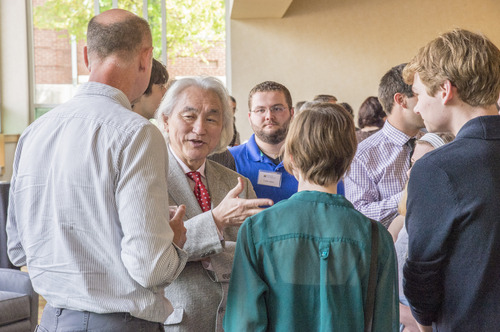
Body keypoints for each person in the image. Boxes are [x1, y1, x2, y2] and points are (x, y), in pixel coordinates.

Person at [6, 9, 187, 331]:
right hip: (117, 322)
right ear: (145, 59)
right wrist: (172, 241)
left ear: (87, 55)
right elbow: (151, 267)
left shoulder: (35, 131)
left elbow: (18, 248)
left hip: (52, 321)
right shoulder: (137, 133)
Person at [223, 103, 399, 331]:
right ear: (349, 157)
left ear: (291, 155)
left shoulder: (258, 228)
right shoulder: (376, 237)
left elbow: (243, 324)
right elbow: (384, 324)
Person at [156, 76, 273, 332]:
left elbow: (253, 256)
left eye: (211, 119)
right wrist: (216, 222)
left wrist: (196, 247)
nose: (200, 128)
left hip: (236, 321)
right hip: (177, 323)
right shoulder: (149, 179)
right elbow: (157, 254)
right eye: (189, 116)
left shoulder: (237, 182)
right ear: (165, 120)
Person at [402, 29, 500, 332]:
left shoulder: (437, 169)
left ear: (445, 90)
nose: (416, 107)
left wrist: (424, 323)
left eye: (418, 94)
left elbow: (421, 272)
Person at [229, 81, 344, 203]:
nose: (269, 116)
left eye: (277, 109)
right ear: (250, 117)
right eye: (260, 110)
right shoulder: (229, 160)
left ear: (292, 112)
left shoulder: (318, 160)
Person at [387, 133, 454, 332]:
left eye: (422, 163)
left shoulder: (449, 222)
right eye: (413, 162)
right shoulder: (401, 219)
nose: (410, 172)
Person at [344, 64, 425, 228]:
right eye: (420, 95)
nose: (427, 102)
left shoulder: (438, 141)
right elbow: (359, 215)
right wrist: (410, 196)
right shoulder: (363, 155)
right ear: (401, 100)